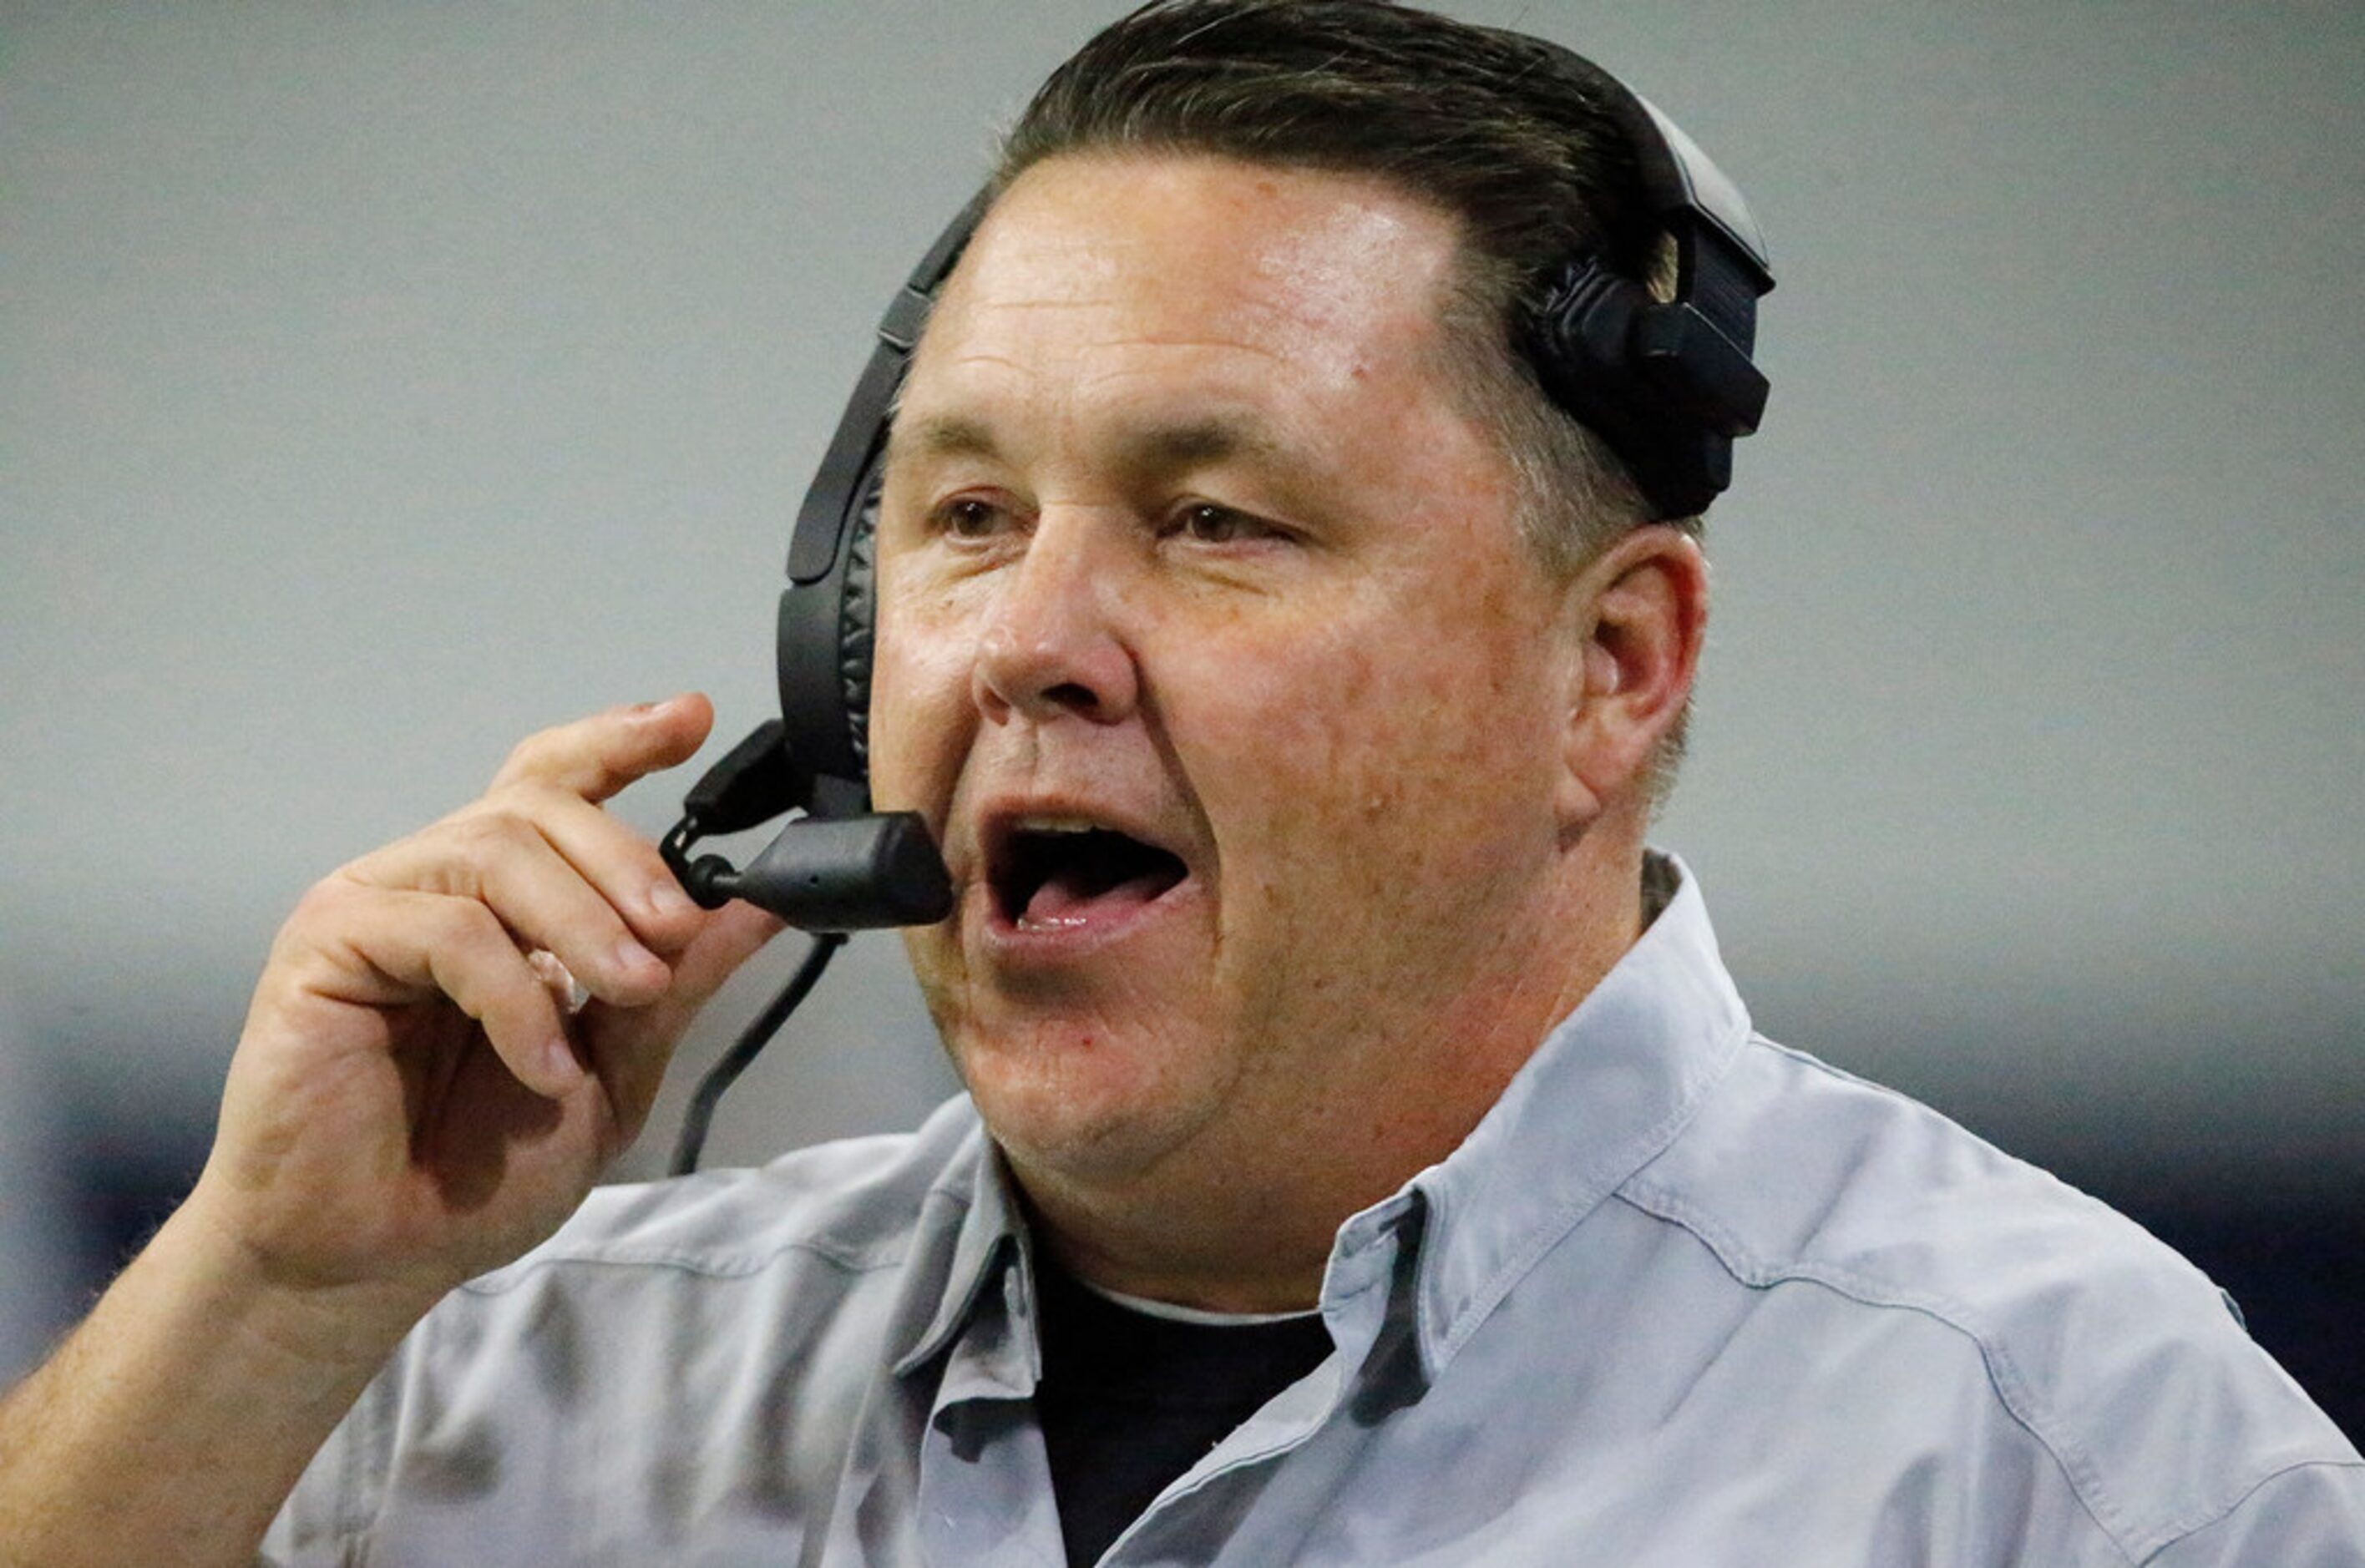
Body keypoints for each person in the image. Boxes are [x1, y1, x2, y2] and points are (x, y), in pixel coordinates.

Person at [2, 3, 2358, 1563]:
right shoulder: (507, 1380)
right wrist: (266, 1286)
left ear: (1612, 669)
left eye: (1219, 519)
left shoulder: (2073, 1460)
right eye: (962, 517)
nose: (1030, 637)